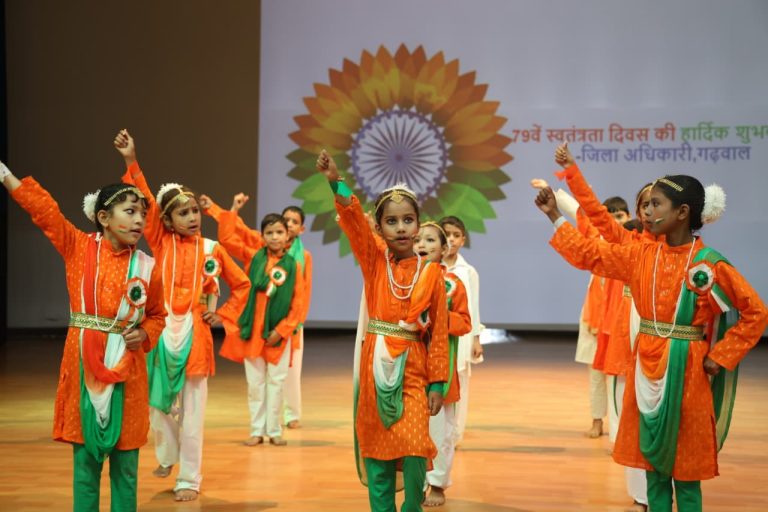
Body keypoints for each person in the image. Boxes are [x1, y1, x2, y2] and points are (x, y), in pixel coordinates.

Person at [535, 174, 768, 512]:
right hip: (645, 367)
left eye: (656, 204)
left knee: (686, 471)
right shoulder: (641, 254)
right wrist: (554, 216)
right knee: (653, 471)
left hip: (687, 371)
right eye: (646, 205)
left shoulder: (708, 263)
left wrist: (721, 356)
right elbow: (590, 254)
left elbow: (755, 313)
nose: (646, 211)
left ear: (683, 212)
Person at [1, 159, 166, 511]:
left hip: (128, 372)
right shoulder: (78, 246)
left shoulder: (147, 267)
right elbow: (45, 212)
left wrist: (144, 334)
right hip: (82, 368)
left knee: (126, 467)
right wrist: (5, 176)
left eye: (142, 213)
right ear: (103, 217)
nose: (139, 220)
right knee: (85, 467)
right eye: (130, 211)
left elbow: (157, 315)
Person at [114, 130, 250, 501]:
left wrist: (223, 314)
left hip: (196, 338)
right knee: (157, 407)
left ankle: (189, 478)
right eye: (183, 213)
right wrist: (131, 160)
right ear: (168, 220)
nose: (192, 217)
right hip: (160, 335)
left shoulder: (212, 248)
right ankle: (168, 454)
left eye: (195, 211)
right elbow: (145, 198)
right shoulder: (161, 241)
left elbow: (242, 285)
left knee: (193, 413)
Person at [316, 149, 449, 512]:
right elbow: (353, 219)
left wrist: (438, 384)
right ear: (379, 228)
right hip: (375, 365)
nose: (401, 228)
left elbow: (438, 333)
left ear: (418, 225)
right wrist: (335, 181)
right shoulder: (375, 261)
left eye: (408, 220)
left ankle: (412, 508)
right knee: (377, 450)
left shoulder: (432, 273)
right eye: (391, 221)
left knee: (416, 448)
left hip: (415, 369)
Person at [213, 203, 306, 447]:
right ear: (262, 236)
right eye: (269, 233)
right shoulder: (253, 257)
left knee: (276, 383)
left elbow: (298, 304)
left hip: (278, 335)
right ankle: (256, 430)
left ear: (287, 235)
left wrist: (281, 331)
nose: (275, 237)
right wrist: (232, 211)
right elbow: (226, 239)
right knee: (255, 384)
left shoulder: (294, 265)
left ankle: (274, 431)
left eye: (279, 232)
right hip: (252, 332)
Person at [414, 222, 472, 507]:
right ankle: (414, 482)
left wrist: (437, 315)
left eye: (429, 240)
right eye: (418, 240)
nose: (422, 245)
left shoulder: (453, 284)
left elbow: (465, 322)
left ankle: (437, 483)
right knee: (412, 429)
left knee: (441, 431)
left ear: (444, 248)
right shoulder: (403, 281)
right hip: (409, 366)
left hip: (441, 368)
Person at [438, 216, 483, 445]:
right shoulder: (430, 266)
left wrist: (476, 339)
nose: (451, 240)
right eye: (447, 234)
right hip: (436, 337)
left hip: (461, 337)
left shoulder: (468, 272)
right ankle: (436, 432)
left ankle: (455, 436)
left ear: (463, 240)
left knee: (460, 383)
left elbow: (473, 307)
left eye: (456, 235)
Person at [281, 205, 313, 429]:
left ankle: (291, 414)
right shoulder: (269, 250)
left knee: (292, 370)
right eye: (286, 220)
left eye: (294, 221)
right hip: (269, 319)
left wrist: (297, 320)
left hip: (293, 320)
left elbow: (306, 289)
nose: (289, 224)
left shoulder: (305, 256)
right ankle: (270, 415)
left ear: (302, 229)